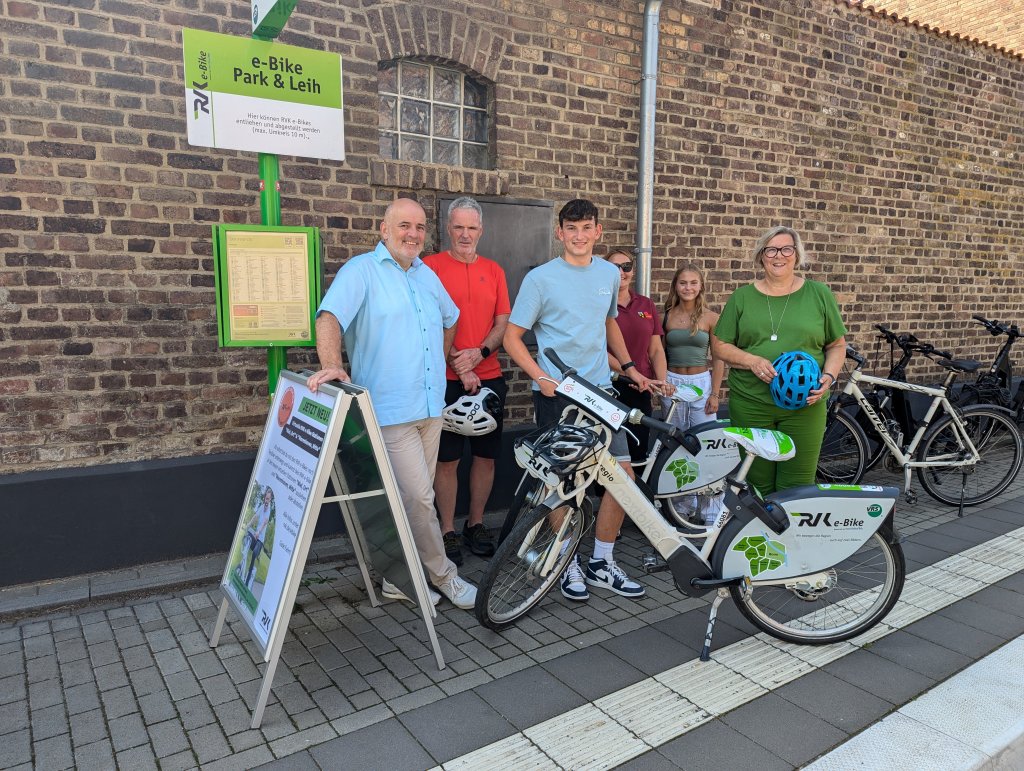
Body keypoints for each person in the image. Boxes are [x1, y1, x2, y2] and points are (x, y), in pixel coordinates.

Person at [306, 197, 477, 609]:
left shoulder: (426, 275)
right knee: (419, 497)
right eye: (404, 226)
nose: (413, 234)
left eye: (419, 227)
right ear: (384, 229)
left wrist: (437, 362)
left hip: (430, 407)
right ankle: (443, 576)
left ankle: (396, 578)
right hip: (389, 411)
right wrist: (332, 366)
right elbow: (328, 317)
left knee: (411, 499)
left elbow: (450, 318)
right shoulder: (362, 271)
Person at [504, 199, 653, 602]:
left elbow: (607, 325)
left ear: (597, 231)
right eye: (572, 228)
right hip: (559, 395)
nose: (579, 235)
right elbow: (512, 338)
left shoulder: (608, 272)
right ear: (560, 233)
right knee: (566, 484)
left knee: (622, 479)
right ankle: (565, 558)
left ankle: (602, 562)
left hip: (602, 393)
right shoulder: (540, 279)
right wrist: (539, 376)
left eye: (587, 227)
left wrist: (628, 366)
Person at [712, 226, 847, 495]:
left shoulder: (819, 294)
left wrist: (829, 377)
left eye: (786, 249)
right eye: (771, 249)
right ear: (761, 256)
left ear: (797, 255)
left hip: (805, 406)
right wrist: (751, 360)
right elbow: (719, 346)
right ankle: (759, 537)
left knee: (797, 485)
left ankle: (788, 537)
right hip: (752, 403)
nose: (779, 256)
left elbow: (837, 345)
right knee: (756, 484)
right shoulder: (742, 297)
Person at [423, 197, 510, 566]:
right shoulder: (429, 267)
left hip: (489, 378)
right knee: (447, 461)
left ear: (481, 230)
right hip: (445, 379)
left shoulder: (494, 270)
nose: (465, 234)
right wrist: (460, 366)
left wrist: (481, 354)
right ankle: (447, 529)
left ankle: (475, 524)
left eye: (471, 228)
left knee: (486, 459)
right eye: (458, 227)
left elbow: (503, 322)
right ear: (447, 228)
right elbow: (427, 324)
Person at [661, 263, 726, 525]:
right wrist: (661, 385)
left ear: (701, 286)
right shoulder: (665, 316)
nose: (688, 287)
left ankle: (711, 512)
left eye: (693, 283)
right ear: (676, 286)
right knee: (676, 448)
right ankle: (682, 508)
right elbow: (659, 353)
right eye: (683, 283)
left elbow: (719, 359)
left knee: (707, 447)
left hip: (701, 383)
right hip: (672, 384)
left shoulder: (711, 318)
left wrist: (715, 393)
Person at [604, 249, 672, 465]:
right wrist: (629, 373)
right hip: (609, 385)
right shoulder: (601, 303)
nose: (621, 272)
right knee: (610, 455)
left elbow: (656, 350)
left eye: (626, 267)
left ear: (633, 270)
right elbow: (597, 349)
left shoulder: (646, 304)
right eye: (614, 268)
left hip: (641, 387)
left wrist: (661, 381)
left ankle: (636, 497)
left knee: (638, 451)